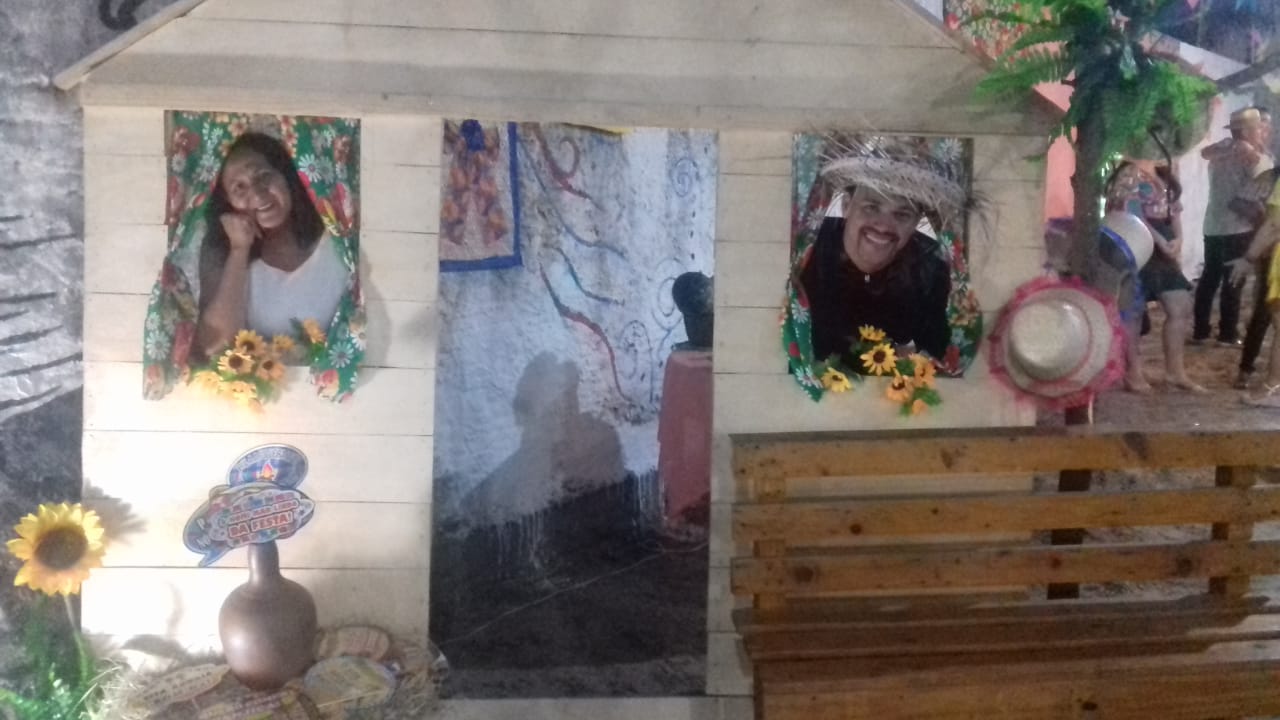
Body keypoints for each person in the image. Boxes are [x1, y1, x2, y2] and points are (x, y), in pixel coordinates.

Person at [196, 132, 348, 357]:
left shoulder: (339, 238)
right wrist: (239, 249)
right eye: (239, 187)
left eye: (264, 176)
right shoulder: (225, 256)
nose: (258, 195)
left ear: (286, 177)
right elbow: (215, 346)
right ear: (228, 202)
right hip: (271, 380)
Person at [798, 184, 951, 365]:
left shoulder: (931, 272)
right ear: (846, 206)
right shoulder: (805, 255)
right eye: (871, 207)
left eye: (902, 215)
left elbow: (938, 354)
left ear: (916, 222)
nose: (883, 226)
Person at [1105, 160, 1205, 393]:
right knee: (1134, 310)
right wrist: (1160, 240)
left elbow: (1175, 211)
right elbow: (1131, 215)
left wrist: (1178, 238)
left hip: (1162, 245)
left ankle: (1175, 371)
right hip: (1136, 241)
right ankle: (1133, 372)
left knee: (1180, 304)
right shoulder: (1128, 175)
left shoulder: (1164, 174)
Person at [1193, 107, 1274, 345]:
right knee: (1234, 281)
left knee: (1209, 279)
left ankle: (1200, 331)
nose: (1264, 131)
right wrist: (1264, 224)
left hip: (1213, 224)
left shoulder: (1221, 151)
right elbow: (1247, 201)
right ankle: (1228, 333)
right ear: (1248, 131)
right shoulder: (1254, 158)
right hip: (1238, 228)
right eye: (1260, 127)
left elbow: (1205, 153)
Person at [1233, 110, 1279, 388]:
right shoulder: (1268, 173)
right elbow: (1240, 201)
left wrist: (1249, 256)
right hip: (1269, 250)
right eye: (1261, 127)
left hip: (1270, 248)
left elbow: (1275, 224)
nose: (1266, 132)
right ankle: (1248, 370)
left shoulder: (1268, 167)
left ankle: (1270, 383)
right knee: (1263, 313)